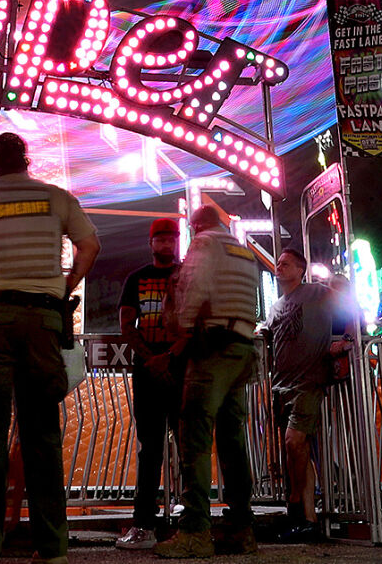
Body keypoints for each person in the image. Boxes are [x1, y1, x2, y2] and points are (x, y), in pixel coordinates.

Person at [0, 133, 101, 564]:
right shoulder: (56, 198)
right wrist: (66, 285)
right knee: (41, 436)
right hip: (43, 320)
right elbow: (90, 245)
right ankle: (52, 550)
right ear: (27, 161)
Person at [155, 205, 264, 558]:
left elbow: (196, 286)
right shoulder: (243, 251)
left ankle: (195, 531)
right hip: (242, 348)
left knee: (195, 438)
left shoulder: (203, 244)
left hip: (213, 349)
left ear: (197, 225)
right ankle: (242, 528)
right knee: (233, 441)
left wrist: (183, 328)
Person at [263, 248, 347, 539]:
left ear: (301, 270)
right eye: (278, 263)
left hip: (309, 380)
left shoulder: (317, 293)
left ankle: (295, 500)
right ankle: (307, 520)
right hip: (282, 383)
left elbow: (350, 306)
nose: (279, 266)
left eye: (286, 263)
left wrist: (347, 340)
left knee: (294, 441)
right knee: (297, 449)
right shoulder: (274, 308)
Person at [115, 218, 182, 550]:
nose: (167, 244)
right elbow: (127, 323)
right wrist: (152, 358)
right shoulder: (136, 279)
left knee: (188, 446)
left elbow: (195, 320)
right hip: (149, 371)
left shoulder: (186, 276)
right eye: (162, 239)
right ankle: (145, 520)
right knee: (150, 447)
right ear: (151, 242)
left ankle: (188, 518)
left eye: (172, 238)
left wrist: (166, 356)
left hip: (180, 368)